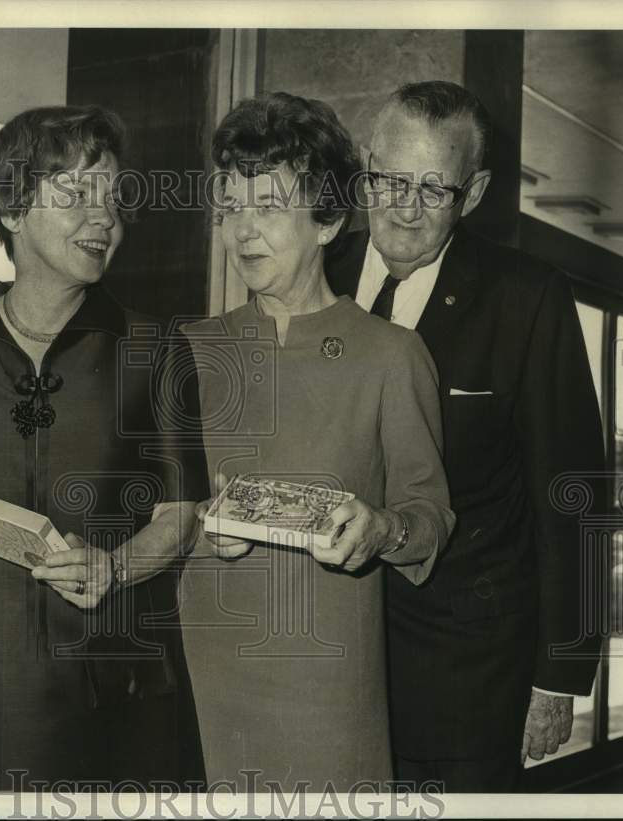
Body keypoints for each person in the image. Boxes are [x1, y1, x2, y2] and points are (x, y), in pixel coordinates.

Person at [0, 105, 207, 792]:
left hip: (121, 698)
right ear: (12, 206)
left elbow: (182, 514)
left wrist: (115, 567)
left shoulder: (155, 348)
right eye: (78, 193)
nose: (105, 218)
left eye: (114, 198)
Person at [325, 80, 605, 791]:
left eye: (432, 188)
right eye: (389, 179)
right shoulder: (315, 274)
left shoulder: (526, 297)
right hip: (325, 651)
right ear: (365, 166)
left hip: (467, 674)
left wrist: (559, 674)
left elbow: (571, 491)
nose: (404, 208)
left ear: (472, 194)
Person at [178, 92, 455, 792]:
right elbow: (145, 518)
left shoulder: (392, 355)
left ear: (328, 218)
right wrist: (192, 529)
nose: (244, 230)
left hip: (328, 702)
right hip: (197, 691)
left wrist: (380, 528)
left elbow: (430, 517)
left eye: (268, 206)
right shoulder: (185, 352)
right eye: (231, 207)